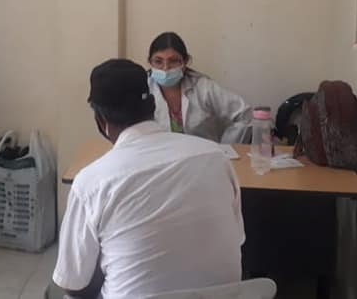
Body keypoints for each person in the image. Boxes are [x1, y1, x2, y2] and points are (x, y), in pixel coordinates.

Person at [50, 59, 244, 299]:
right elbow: (237, 239)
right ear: (152, 106)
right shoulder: (214, 156)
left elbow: (74, 283)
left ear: (100, 120)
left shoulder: (92, 182)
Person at [147, 32, 252, 143]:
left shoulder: (204, 88)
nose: (165, 67)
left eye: (173, 61)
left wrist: (226, 147)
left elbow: (245, 114)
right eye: (158, 61)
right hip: (158, 153)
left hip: (204, 152)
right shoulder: (143, 88)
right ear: (150, 62)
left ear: (185, 62)